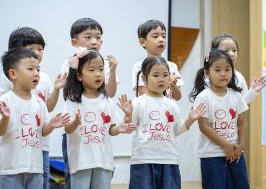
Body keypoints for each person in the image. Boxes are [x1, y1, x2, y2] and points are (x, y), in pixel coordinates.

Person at [118, 56, 205, 189]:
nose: (161, 79)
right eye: (156, 75)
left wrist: (190, 120)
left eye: (165, 75)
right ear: (144, 79)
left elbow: (175, 131)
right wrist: (128, 114)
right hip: (143, 160)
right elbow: (130, 126)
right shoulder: (138, 103)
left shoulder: (172, 105)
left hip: (169, 159)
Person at [0, 27, 67, 189]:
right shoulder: (6, 93)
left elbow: (44, 121)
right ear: (13, 74)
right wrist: (7, 117)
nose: (36, 73)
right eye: (31, 69)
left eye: (37, 69)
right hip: (11, 162)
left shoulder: (39, 97)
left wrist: (51, 124)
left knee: (42, 181)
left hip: (36, 156)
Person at [63, 49, 136, 189]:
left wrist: (121, 126)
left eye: (101, 69)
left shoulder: (105, 100)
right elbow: (67, 129)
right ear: (79, 75)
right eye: (91, 70)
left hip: (104, 161)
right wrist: (75, 122)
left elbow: (111, 130)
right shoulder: (73, 100)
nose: (98, 74)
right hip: (80, 162)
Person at [60, 18, 119, 188]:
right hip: (78, 132)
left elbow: (110, 92)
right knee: (76, 177)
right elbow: (71, 90)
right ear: (75, 42)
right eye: (88, 37)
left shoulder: (104, 64)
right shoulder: (71, 63)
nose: (94, 41)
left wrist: (112, 70)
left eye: (98, 37)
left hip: (98, 139)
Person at [189, 49, 249, 189]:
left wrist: (241, 146)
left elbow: (242, 123)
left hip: (236, 153)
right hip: (212, 155)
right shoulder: (203, 97)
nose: (223, 74)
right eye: (217, 70)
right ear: (207, 73)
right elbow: (204, 127)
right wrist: (225, 145)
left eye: (227, 69)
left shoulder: (236, 95)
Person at [132, 19, 183, 100]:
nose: (161, 40)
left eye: (164, 36)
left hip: (167, 111)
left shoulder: (172, 66)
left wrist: (173, 85)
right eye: (155, 36)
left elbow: (178, 97)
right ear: (142, 42)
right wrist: (165, 83)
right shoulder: (139, 66)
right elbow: (142, 93)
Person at [211, 33, 265, 104]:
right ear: (214, 52)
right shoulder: (209, 74)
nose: (232, 54)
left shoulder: (239, 76)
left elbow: (242, 104)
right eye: (226, 51)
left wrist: (253, 91)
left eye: (234, 50)